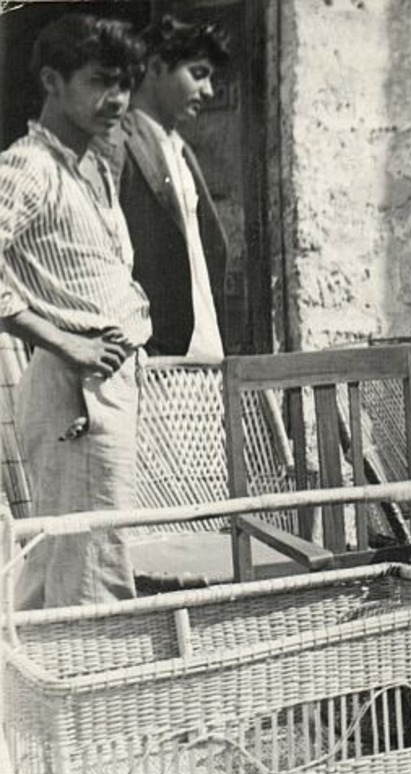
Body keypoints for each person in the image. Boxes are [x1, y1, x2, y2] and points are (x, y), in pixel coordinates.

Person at [0, 14, 149, 609]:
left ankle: (31, 690)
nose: (116, 100)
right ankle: (96, 694)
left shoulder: (92, 165)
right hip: (77, 383)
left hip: (106, 378)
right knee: (91, 567)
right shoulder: (29, 167)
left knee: (61, 558)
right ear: (52, 81)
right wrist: (67, 341)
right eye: (99, 82)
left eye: (125, 83)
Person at [110, 14, 229, 362]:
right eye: (198, 74)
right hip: (152, 357)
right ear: (157, 67)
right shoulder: (117, 142)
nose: (207, 90)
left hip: (203, 352)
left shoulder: (180, 149)